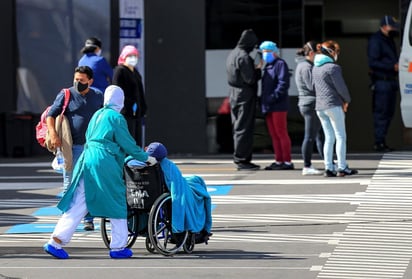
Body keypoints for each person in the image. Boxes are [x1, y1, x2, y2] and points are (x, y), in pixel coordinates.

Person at [43, 85, 157, 259]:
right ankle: (118, 247)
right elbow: (126, 143)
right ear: (121, 100)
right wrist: (145, 157)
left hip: (87, 158)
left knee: (79, 202)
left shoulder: (97, 114)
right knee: (116, 200)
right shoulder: (116, 118)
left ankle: (55, 242)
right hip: (104, 161)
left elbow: (90, 137)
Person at [46, 66, 103, 230]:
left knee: (91, 182)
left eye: (82, 80)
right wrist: (53, 134)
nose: (78, 83)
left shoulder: (98, 96)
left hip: (93, 147)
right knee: (70, 182)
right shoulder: (66, 94)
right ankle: (66, 217)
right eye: (76, 79)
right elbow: (51, 115)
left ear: (90, 81)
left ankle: (88, 219)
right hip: (73, 148)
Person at [312, 40, 358, 177]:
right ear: (331, 52)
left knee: (329, 137)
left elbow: (312, 87)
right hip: (333, 105)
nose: (337, 55)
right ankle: (342, 167)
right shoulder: (333, 67)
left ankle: (329, 167)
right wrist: (347, 100)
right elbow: (341, 88)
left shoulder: (315, 67)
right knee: (340, 136)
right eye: (336, 52)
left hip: (320, 106)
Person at [225, 29, 262, 171]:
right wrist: (259, 69)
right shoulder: (243, 56)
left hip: (234, 93)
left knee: (237, 126)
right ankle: (242, 159)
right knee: (244, 127)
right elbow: (250, 79)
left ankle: (240, 157)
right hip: (245, 94)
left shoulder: (232, 54)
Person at [259, 41, 294, 171]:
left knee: (281, 133)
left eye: (267, 51)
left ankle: (287, 161)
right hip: (269, 105)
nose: (265, 54)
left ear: (274, 52)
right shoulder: (268, 66)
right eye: (263, 52)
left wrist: (272, 97)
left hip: (278, 105)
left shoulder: (280, 64)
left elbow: (283, 84)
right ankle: (279, 160)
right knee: (274, 134)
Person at [367, 15, 400, 152]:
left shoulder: (388, 39)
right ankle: (379, 142)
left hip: (390, 81)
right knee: (382, 113)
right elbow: (373, 62)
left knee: (389, 113)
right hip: (382, 82)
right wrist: (392, 66)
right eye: (391, 26)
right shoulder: (376, 41)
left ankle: (382, 141)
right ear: (384, 26)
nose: (393, 29)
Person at [295, 41, 324, 175]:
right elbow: (312, 86)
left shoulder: (304, 65)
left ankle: (328, 161)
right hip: (310, 104)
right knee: (310, 136)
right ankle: (307, 165)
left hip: (309, 103)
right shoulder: (306, 67)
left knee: (319, 135)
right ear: (311, 54)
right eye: (318, 54)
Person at [113, 45, 147, 146]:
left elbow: (140, 91)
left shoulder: (135, 72)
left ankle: (135, 160)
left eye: (135, 55)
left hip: (136, 112)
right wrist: (126, 104)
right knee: (127, 137)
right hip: (125, 111)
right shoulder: (120, 71)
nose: (133, 58)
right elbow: (117, 90)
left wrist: (143, 107)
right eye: (130, 55)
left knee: (136, 138)